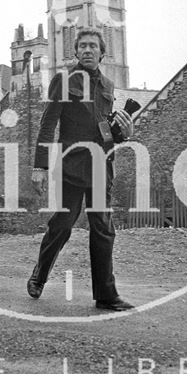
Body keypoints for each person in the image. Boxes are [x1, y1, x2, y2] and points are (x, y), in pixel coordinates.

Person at [27, 28, 134, 311]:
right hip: (70, 166)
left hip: (101, 165)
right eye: (83, 46)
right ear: (76, 52)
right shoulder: (63, 80)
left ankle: (106, 295)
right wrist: (40, 165)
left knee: (103, 229)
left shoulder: (108, 86)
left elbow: (105, 131)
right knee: (62, 226)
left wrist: (125, 132)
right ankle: (40, 274)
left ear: (102, 52)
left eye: (93, 46)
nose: (87, 50)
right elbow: (48, 124)